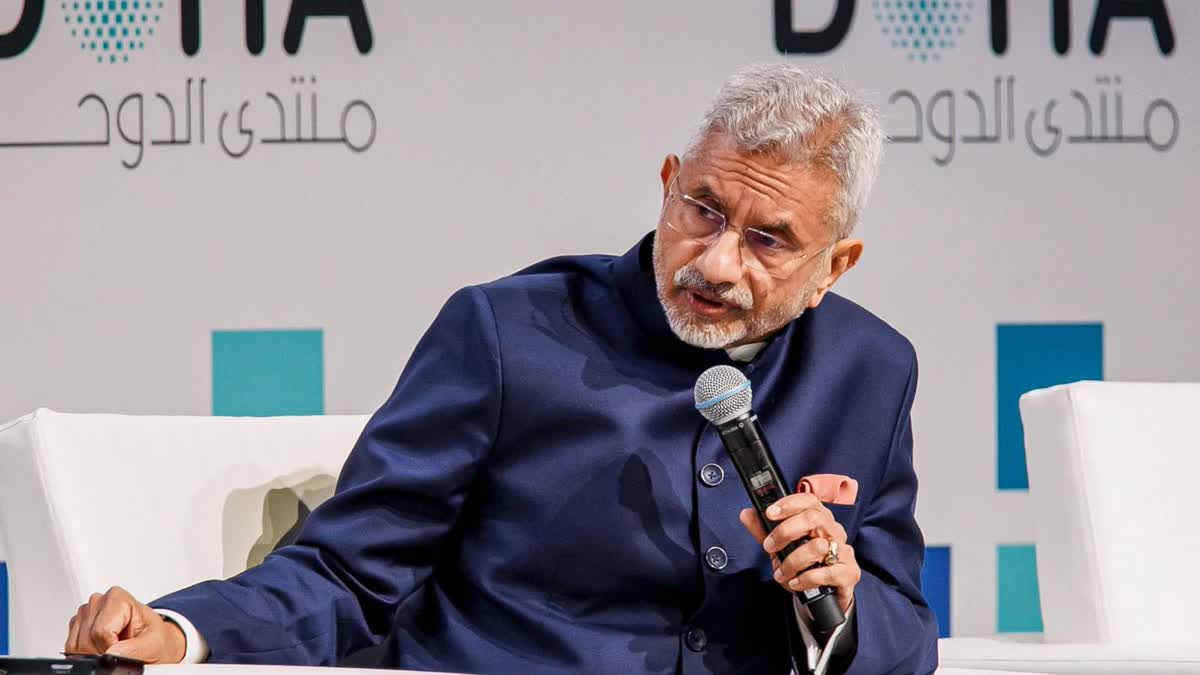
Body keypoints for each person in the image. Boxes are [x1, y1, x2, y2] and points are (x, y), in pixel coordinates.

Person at [64, 63, 939, 674]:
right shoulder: (509, 332)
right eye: (702, 209)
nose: (713, 263)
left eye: (768, 240)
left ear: (836, 264)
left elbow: (905, 630)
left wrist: (844, 600)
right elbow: (350, 571)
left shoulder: (872, 368)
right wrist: (179, 630)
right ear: (668, 181)